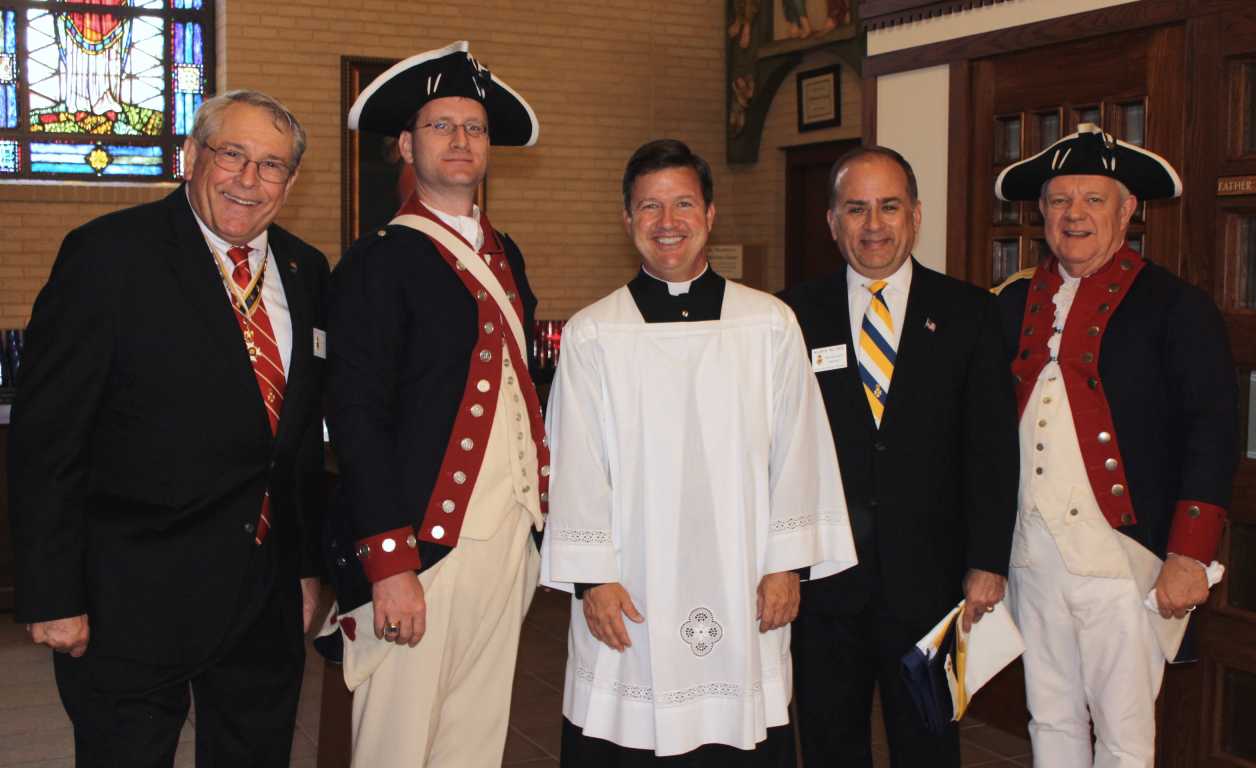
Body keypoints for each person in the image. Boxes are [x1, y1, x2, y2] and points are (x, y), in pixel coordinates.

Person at [9, 89, 328, 766]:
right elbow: (49, 440)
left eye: (271, 166)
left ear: (291, 182)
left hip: (262, 599)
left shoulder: (306, 270)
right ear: (190, 156)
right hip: (130, 597)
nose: (248, 180)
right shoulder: (107, 257)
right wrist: (53, 593)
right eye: (231, 155)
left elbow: (293, 447)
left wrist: (302, 569)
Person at [540, 138, 857, 766]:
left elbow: (801, 447)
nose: (667, 222)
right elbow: (575, 464)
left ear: (710, 214)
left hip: (746, 580)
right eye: (649, 207)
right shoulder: (595, 334)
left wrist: (788, 563)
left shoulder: (766, 324)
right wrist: (592, 579)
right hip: (631, 586)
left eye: (683, 203)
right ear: (627, 220)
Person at [321, 41, 546, 768]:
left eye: (474, 128)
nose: (461, 140)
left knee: (475, 739)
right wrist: (389, 564)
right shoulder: (377, 259)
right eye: (441, 126)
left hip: (507, 536)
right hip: (425, 548)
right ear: (404, 144)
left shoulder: (505, 251)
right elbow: (355, 416)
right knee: (397, 742)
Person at [993, 124, 1236, 767]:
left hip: (1124, 558)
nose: (1075, 215)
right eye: (1059, 200)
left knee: (1125, 737)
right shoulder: (1012, 303)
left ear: (1128, 210)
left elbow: (1211, 428)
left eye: (1094, 199)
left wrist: (1190, 553)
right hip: (1031, 556)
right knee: (1049, 718)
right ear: (1040, 211)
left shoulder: (1176, 306)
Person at [779, 146, 1020, 767]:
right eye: (855, 208)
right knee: (831, 743)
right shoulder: (790, 317)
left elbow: (992, 448)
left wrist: (987, 561)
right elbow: (772, 451)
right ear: (832, 221)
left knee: (929, 745)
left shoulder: (969, 312)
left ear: (916, 214)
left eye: (889, 206)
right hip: (826, 584)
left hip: (932, 586)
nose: (874, 224)